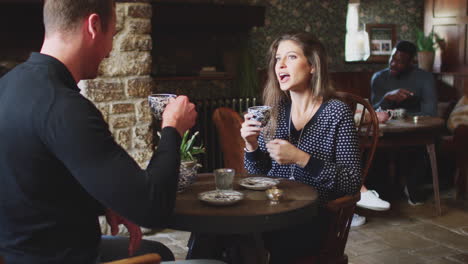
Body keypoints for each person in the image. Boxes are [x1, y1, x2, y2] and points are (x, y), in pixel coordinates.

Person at [0, 0, 200, 263]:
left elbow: (35, 183)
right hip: (67, 257)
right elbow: (152, 209)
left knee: (161, 251)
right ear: (94, 26)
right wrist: (172, 127)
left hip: (21, 252)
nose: (109, 50)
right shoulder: (64, 107)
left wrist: (102, 203)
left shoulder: (7, 85)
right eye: (113, 35)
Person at [241, 32, 361, 263]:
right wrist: (251, 145)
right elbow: (256, 176)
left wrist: (301, 158)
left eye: (291, 57)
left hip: (313, 215)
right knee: (216, 232)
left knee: (250, 241)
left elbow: (351, 182)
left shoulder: (336, 113)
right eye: (277, 59)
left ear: (313, 66)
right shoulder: (273, 111)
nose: (281, 65)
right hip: (271, 209)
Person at [369, 40, 438, 206]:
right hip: (384, 131)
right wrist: (386, 99)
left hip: (414, 131)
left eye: (400, 61)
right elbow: (372, 112)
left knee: (422, 146)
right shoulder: (379, 78)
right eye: (392, 58)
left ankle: (412, 188)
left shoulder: (424, 78)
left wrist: (405, 113)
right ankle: (381, 193)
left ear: (411, 62)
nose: (393, 63)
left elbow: (430, 112)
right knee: (374, 148)